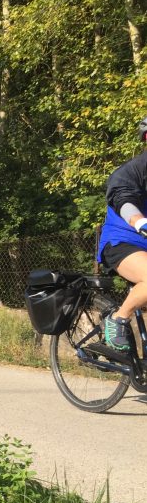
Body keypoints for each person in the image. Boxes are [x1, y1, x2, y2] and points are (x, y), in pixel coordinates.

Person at [97, 116, 147, 352]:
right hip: (123, 242)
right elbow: (122, 196)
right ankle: (118, 319)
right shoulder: (135, 169)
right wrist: (139, 222)